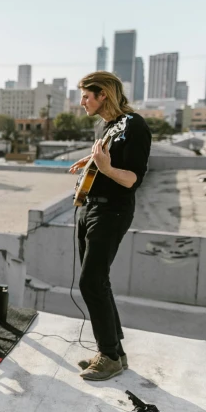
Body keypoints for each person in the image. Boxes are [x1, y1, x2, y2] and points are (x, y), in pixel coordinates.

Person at [68, 71, 152, 381]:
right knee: (98, 280)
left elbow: (132, 178)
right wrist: (89, 162)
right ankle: (114, 351)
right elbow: (107, 158)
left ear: (103, 94)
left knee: (90, 281)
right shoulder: (109, 125)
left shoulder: (136, 126)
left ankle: (109, 355)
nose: (82, 102)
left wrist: (106, 167)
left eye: (86, 96)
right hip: (90, 208)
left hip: (112, 211)